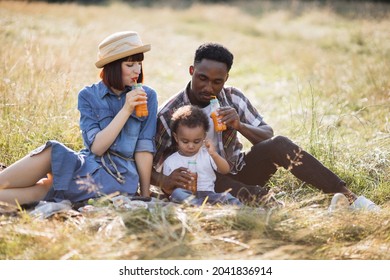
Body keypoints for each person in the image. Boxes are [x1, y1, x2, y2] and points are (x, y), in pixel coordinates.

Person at [152, 42, 379, 211]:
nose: (208, 87)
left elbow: (267, 135)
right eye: (202, 78)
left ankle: (349, 198)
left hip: (241, 170)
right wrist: (165, 181)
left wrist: (239, 125)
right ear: (192, 71)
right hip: (205, 183)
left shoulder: (233, 98)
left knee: (279, 143)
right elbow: (149, 162)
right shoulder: (169, 113)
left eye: (217, 81)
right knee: (220, 179)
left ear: (226, 78)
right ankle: (269, 203)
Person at [0, 31, 157, 206]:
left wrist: (144, 195)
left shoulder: (148, 96)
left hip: (115, 177)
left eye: (139, 63)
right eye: (130, 64)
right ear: (112, 66)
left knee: (48, 183)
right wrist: (126, 110)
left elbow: (144, 149)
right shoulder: (88, 95)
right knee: (52, 154)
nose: (138, 70)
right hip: (86, 164)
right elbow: (96, 147)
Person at [162, 105, 242, 206]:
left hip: (208, 195)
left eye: (196, 141)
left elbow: (225, 170)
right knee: (177, 194)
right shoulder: (170, 161)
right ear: (176, 137)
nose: (191, 146)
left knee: (226, 197)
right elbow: (166, 188)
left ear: (204, 137)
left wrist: (214, 154)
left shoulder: (207, 154)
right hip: (185, 194)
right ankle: (200, 206)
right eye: (185, 141)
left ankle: (245, 210)